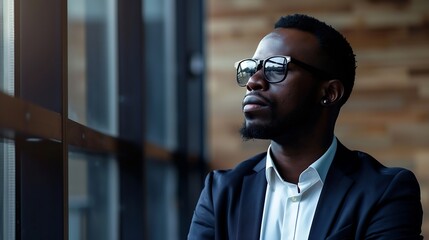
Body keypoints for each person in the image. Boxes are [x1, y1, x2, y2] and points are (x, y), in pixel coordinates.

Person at [188, 13, 423, 240]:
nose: (253, 81)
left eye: (276, 68)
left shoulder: (384, 192)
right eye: (252, 68)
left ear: (329, 92)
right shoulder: (221, 192)